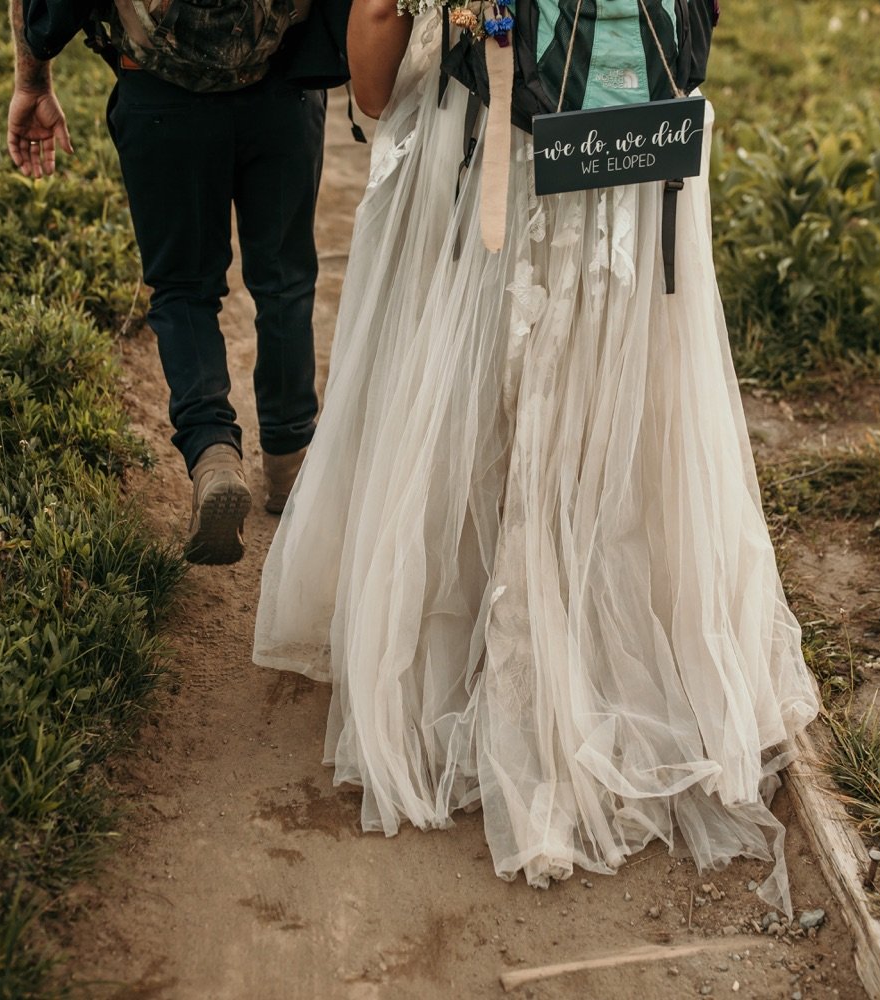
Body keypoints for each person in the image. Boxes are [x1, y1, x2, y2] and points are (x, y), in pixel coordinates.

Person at [253, 0, 820, 912]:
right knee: (603, 402)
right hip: (646, 164)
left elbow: (369, 58)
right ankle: (615, 654)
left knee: (480, 388)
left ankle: (480, 652)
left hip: (506, 160)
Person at [6, 0, 328, 565]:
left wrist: (32, 79)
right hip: (282, 87)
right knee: (284, 279)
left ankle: (213, 457)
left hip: (159, 96)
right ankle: (289, 458)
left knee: (184, 288)